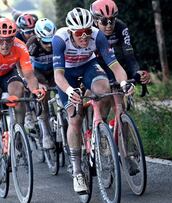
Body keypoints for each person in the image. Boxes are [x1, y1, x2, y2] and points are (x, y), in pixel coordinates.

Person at [52, 8, 130, 193]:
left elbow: (115, 66)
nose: (84, 36)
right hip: (67, 74)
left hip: (88, 66)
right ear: (71, 31)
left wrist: (125, 83)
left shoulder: (98, 36)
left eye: (87, 31)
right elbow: (58, 75)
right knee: (75, 119)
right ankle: (78, 171)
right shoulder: (59, 39)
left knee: (104, 91)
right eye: (79, 33)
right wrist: (70, 91)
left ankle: (100, 131)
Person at [0, 18, 45, 183]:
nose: (5, 45)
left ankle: (19, 132)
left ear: (14, 38)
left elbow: (29, 76)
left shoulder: (20, 46)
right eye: (1, 40)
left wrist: (35, 89)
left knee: (18, 91)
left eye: (9, 40)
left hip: (8, 75)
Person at [90, 0, 151, 84]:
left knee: (118, 86)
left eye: (112, 20)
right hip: (92, 61)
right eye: (104, 21)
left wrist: (136, 72)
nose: (109, 26)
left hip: (111, 61)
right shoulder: (89, 30)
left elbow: (129, 55)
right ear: (95, 21)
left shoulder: (121, 27)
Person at [26, 18, 57, 149]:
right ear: (38, 38)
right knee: (43, 95)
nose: (49, 45)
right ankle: (46, 133)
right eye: (45, 42)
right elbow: (27, 68)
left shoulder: (58, 41)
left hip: (54, 70)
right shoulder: (31, 45)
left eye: (51, 41)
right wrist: (37, 83)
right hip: (38, 72)